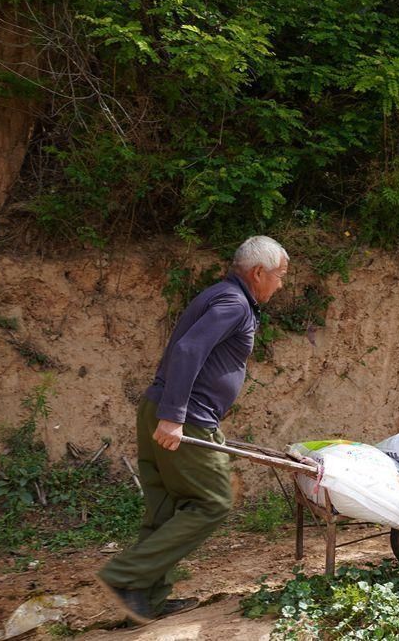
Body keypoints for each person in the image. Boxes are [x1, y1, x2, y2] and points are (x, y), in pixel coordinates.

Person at [98, 236, 288, 624]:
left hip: (160, 407)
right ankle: (125, 577)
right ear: (258, 273)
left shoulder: (220, 295)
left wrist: (167, 411)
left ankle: (145, 599)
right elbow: (188, 351)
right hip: (185, 418)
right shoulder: (234, 303)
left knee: (167, 507)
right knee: (213, 501)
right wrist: (175, 416)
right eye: (280, 276)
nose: (281, 284)